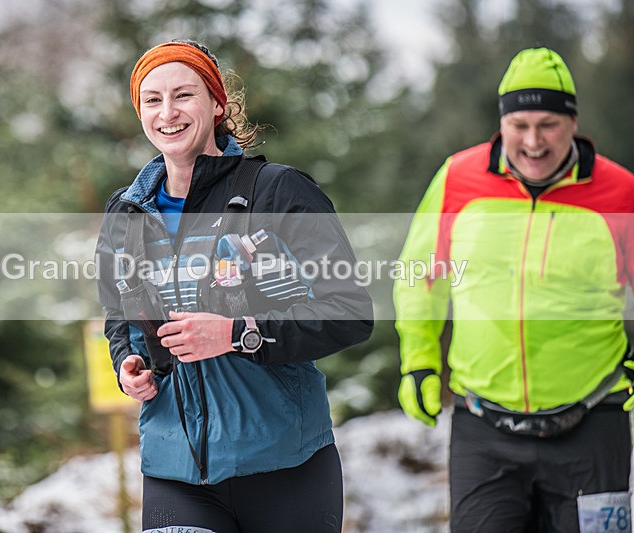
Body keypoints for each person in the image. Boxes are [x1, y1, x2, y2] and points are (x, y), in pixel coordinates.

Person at [96, 39, 373, 533]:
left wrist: (236, 333)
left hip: (286, 468)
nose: (168, 112)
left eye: (184, 95)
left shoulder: (279, 191)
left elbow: (349, 310)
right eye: (152, 100)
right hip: (173, 471)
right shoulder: (126, 212)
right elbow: (120, 313)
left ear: (217, 104)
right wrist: (127, 364)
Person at [394, 46, 634, 532]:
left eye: (548, 124)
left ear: (573, 122)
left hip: (594, 422)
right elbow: (419, 274)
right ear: (501, 122)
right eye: (519, 124)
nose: (533, 141)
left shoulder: (620, 191)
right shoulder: (459, 178)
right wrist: (418, 360)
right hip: (484, 429)